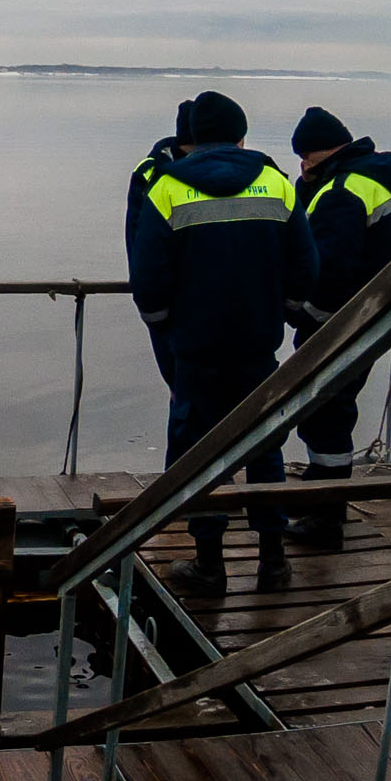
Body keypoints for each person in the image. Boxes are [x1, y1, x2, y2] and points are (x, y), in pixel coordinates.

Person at [128, 90, 317, 594]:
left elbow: (148, 277)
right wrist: (288, 312)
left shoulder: (166, 187)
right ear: (240, 134)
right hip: (258, 343)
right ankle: (273, 561)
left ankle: (209, 563)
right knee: (264, 445)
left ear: (191, 138)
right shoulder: (276, 181)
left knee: (199, 452)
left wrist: (166, 329)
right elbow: (305, 263)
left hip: (196, 347)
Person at [284, 106, 391, 547]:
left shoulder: (341, 190)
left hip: (339, 325)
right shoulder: (371, 178)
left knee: (325, 415)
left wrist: (306, 316)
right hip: (367, 315)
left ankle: (326, 520)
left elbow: (333, 271)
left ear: (325, 152)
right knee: (330, 410)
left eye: (307, 158)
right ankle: (322, 491)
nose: (302, 168)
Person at [125, 102, 193, 379]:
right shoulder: (152, 174)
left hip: (184, 303)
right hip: (171, 303)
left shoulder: (151, 173)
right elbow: (138, 243)